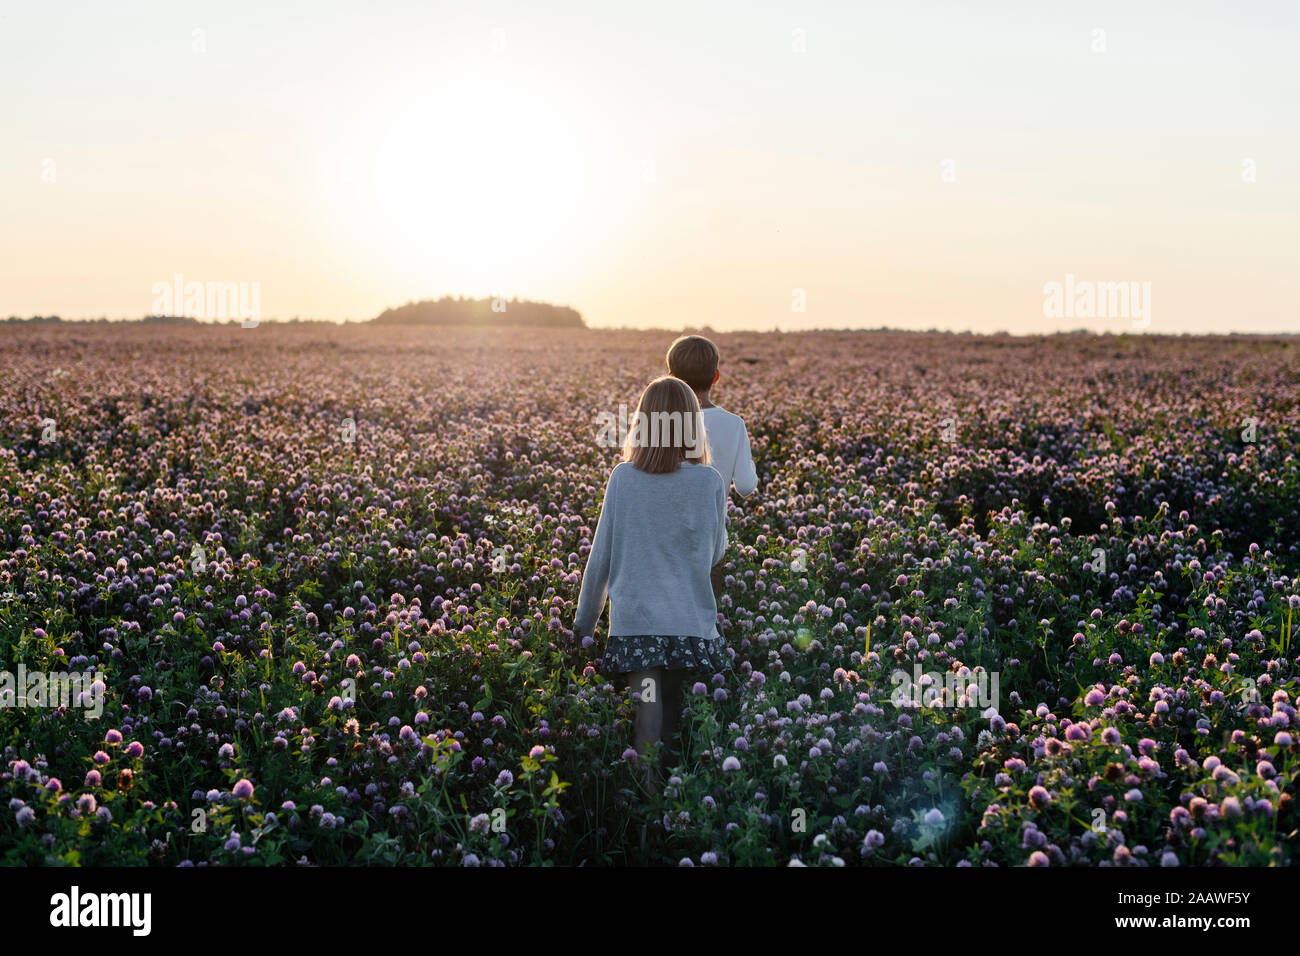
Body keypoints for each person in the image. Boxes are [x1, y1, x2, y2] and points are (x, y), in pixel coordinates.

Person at [573, 376, 728, 793]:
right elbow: (716, 551)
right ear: (693, 425)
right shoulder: (709, 481)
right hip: (689, 620)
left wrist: (583, 626)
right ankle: (683, 801)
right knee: (679, 707)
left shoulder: (624, 478)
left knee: (647, 707)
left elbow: (600, 559)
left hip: (637, 622)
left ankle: (647, 798)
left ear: (642, 423)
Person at [665, 335, 758, 610]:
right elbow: (746, 486)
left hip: (664, 540)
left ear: (671, 377)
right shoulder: (733, 424)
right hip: (711, 544)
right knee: (706, 618)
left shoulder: (659, 422)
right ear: (716, 377)